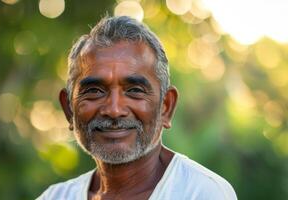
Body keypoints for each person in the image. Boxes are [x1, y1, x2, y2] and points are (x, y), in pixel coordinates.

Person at [37, 16, 237, 200]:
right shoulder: (55, 197)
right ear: (69, 109)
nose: (114, 110)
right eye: (95, 91)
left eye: (134, 90)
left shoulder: (201, 193)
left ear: (166, 107)